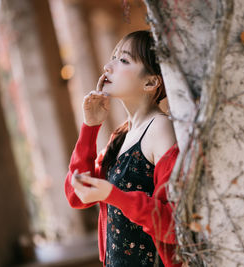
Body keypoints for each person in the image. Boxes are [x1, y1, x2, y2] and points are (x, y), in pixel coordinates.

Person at [64, 30, 182, 267]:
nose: (108, 66)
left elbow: (173, 224)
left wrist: (112, 195)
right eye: (113, 57)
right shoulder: (121, 135)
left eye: (123, 60)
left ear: (150, 82)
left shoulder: (160, 129)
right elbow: (76, 196)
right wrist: (90, 127)